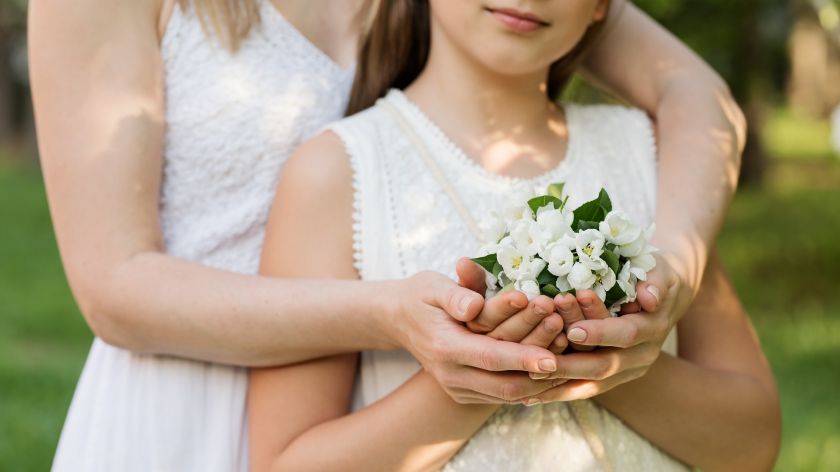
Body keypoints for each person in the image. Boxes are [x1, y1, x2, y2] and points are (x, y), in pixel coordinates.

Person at [28, 0, 746, 470]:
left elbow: (699, 98)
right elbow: (113, 287)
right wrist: (391, 315)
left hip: (386, 396)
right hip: (185, 403)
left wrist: (667, 277)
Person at [247, 0, 780, 470]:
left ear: (602, 6)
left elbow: (753, 443)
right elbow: (285, 461)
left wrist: (607, 356)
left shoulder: (655, 158)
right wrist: (488, 370)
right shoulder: (338, 172)